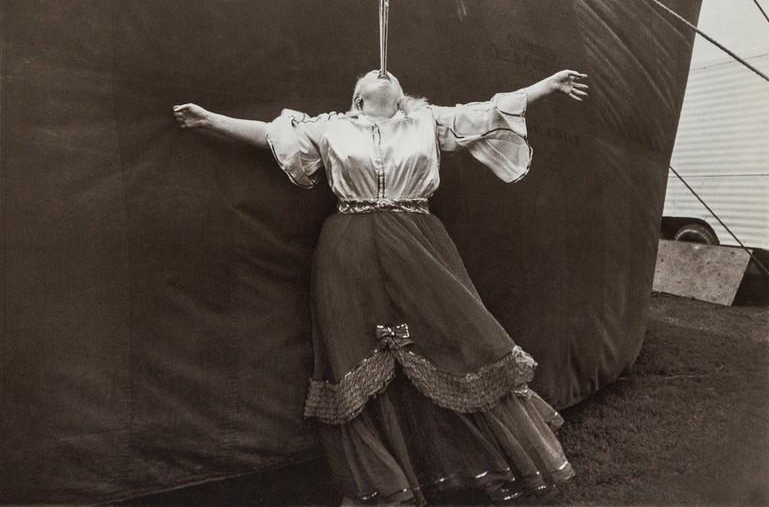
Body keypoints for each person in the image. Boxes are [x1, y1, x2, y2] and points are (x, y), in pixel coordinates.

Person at [172, 67, 589, 505]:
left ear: (400, 95)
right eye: (372, 74)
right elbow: (270, 135)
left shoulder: (427, 121)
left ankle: (469, 465)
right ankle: (382, 481)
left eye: (389, 75)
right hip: (348, 249)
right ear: (358, 97)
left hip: (419, 245)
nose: (382, 72)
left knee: (452, 340)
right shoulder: (331, 127)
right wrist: (210, 120)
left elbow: (488, 113)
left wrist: (546, 86)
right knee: (355, 353)